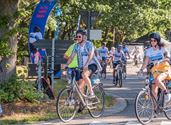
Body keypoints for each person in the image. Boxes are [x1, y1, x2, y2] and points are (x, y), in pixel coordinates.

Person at [66, 29, 102, 97]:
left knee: (84, 75)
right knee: (80, 85)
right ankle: (82, 103)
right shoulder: (76, 46)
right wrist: (66, 65)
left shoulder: (89, 44)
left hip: (91, 64)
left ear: (84, 37)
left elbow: (91, 55)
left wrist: (87, 64)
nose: (78, 38)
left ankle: (91, 93)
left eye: (79, 37)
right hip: (82, 66)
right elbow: (71, 57)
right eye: (77, 37)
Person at [139, 32, 171, 102]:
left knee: (158, 80)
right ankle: (156, 107)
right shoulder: (148, 51)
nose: (152, 42)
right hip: (155, 71)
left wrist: (160, 61)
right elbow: (146, 62)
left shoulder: (162, 49)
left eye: (154, 40)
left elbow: (168, 58)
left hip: (164, 69)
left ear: (158, 41)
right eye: (151, 40)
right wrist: (141, 70)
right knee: (153, 88)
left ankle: (166, 93)